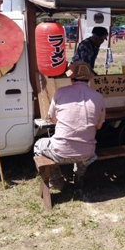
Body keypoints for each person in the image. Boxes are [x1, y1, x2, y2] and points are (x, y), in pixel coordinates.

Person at [33, 61, 106, 190]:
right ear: (89, 79)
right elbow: (99, 127)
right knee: (83, 150)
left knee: (38, 145)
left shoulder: (60, 92)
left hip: (60, 153)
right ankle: (79, 175)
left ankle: (56, 180)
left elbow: (53, 120)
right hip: (88, 153)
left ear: (71, 78)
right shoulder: (98, 97)